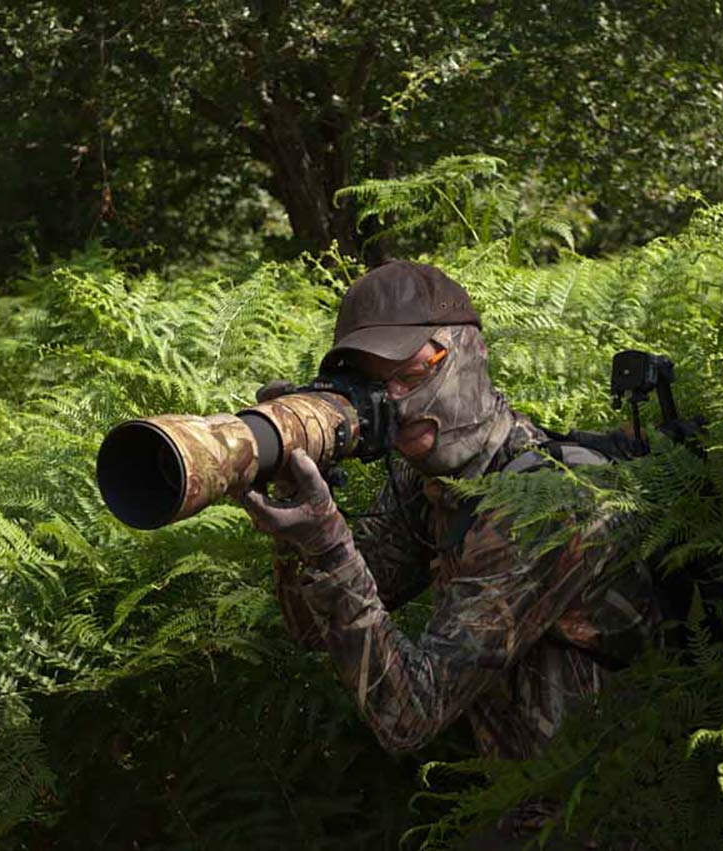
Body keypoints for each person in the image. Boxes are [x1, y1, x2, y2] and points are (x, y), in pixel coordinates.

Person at [239, 260, 659, 846]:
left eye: (411, 374)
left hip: (614, 820)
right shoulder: (427, 486)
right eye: (371, 387)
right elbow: (314, 627)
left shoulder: (548, 501)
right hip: (529, 812)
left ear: (468, 353)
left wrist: (330, 544)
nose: (394, 402)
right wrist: (297, 499)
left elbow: (409, 714)